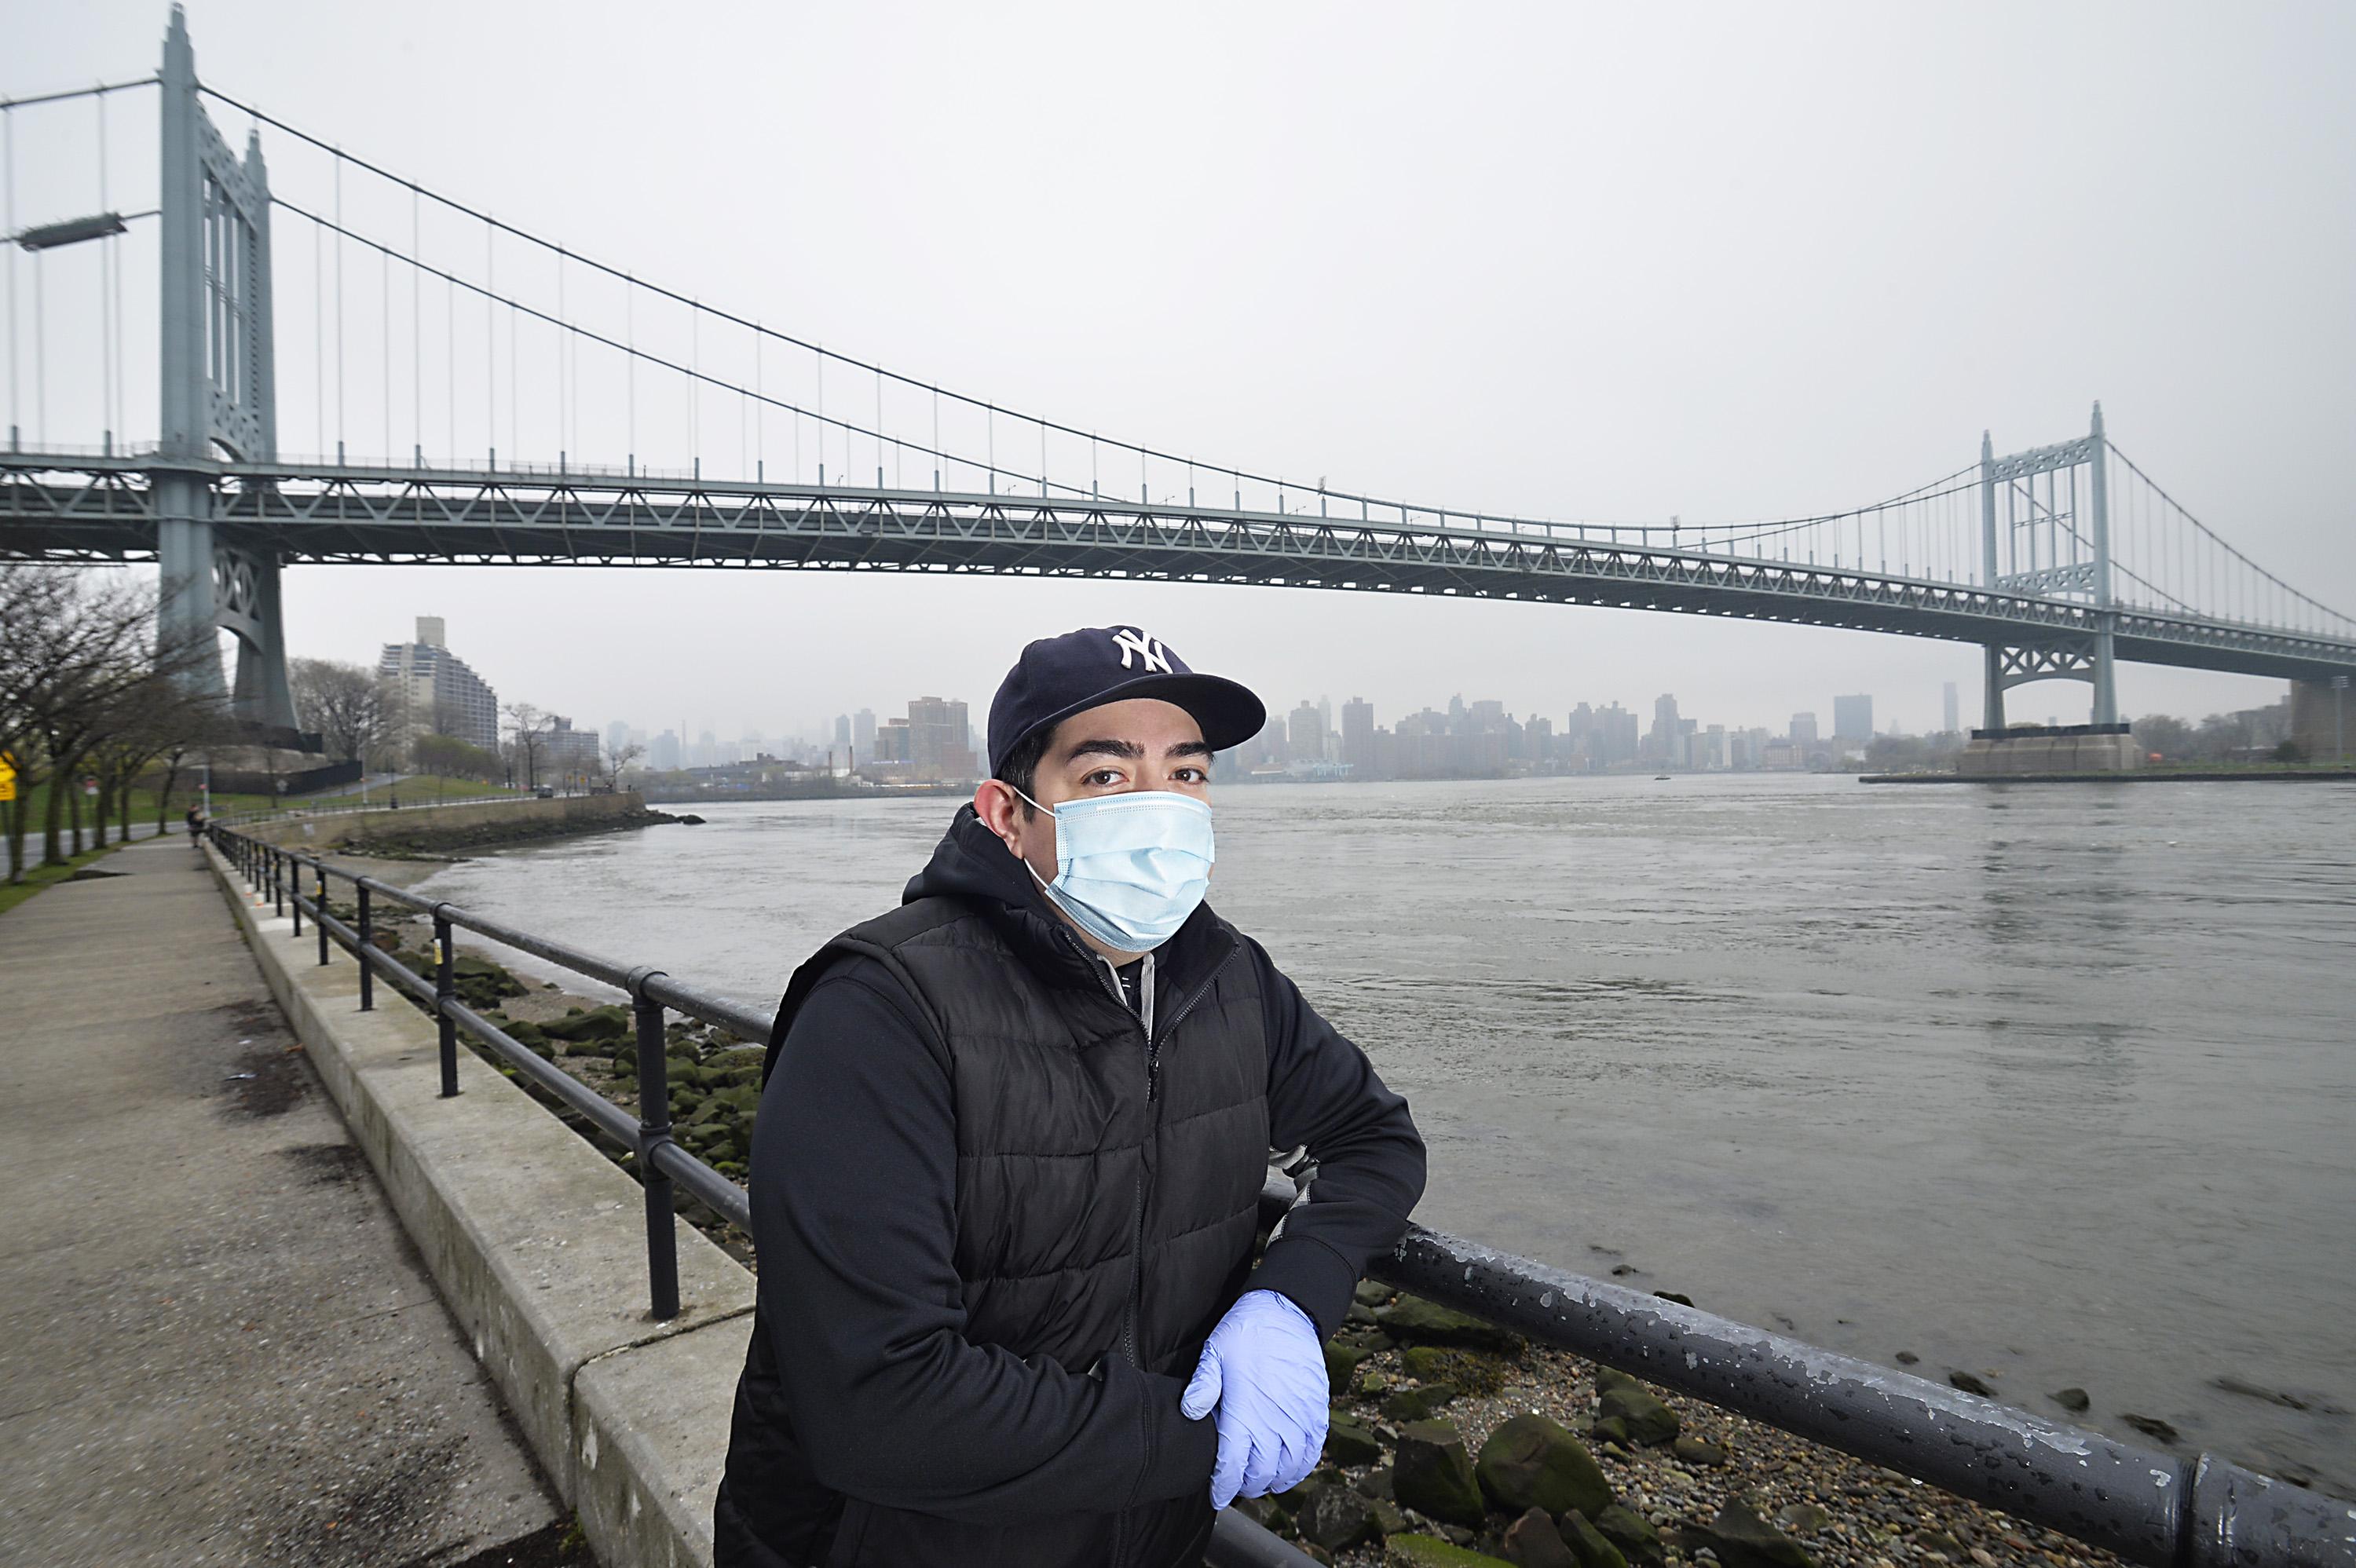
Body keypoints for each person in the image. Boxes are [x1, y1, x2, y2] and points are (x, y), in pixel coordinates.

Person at [715, 625, 1427, 1568]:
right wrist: (1210, 1437)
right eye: (1104, 776)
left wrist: (1290, 1300)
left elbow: (1374, 1136)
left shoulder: (1228, 978)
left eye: (1187, 773)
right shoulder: (883, 1007)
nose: (1160, 807)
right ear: (1006, 814)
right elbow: (879, 1402)